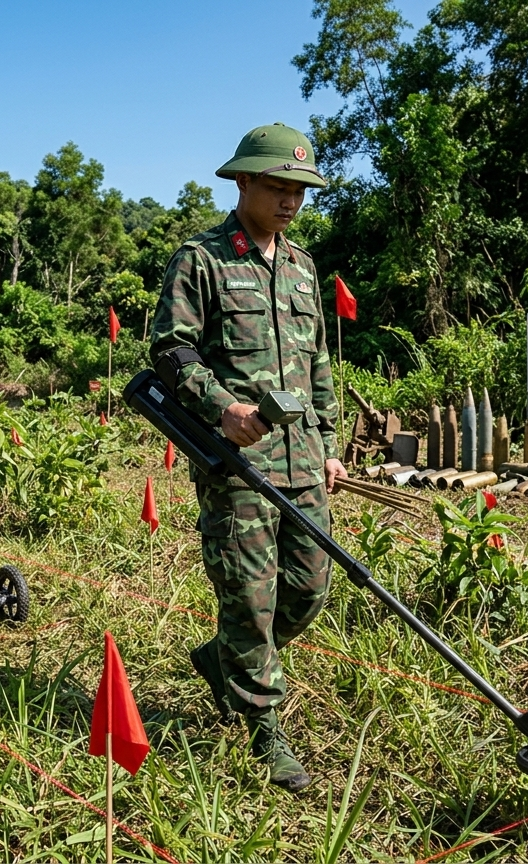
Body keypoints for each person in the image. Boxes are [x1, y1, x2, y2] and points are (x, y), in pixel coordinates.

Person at [149, 123, 347, 793]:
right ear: (242, 182)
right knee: (248, 601)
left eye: (299, 189)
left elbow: (317, 360)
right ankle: (262, 729)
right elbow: (172, 353)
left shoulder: (301, 266)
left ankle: (226, 661)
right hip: (237, 465)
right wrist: (220, 409)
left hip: (302, 460)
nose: (290, 200)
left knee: (308, 590)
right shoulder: (199, 259)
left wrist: (327, 444)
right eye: (276, 186)